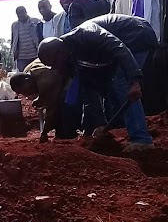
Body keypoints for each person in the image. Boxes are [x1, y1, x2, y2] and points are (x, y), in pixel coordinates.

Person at [38, 15, 154, 151]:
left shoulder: (86, 33)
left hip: (136, 33)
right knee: (112, 87)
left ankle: (142, 139)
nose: (57, 67)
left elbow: (119, 48)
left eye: (55, 63)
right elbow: (88, 90)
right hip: (121, 46)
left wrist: (134, 80)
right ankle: (121, 129)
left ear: (60, 52)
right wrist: (99, 124)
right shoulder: (72, 59)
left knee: (120, 82)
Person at [10, 60, 73, 142]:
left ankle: (69, 136)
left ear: (27, 80)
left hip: (70, 77)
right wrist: (41, 98)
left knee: (63, 103)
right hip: (57, 80)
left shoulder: (45, 82)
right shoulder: (28, 70)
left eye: (26, 91)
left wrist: (45, 132)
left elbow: (51, 109)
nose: (28, 94)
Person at [10, 6, 43, 72]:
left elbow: (40, 36)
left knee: (37, 73)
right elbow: (13, 40)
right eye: (18, 13)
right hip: (21, 57)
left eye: (22, 12)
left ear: (26, 12)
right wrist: (13, 52)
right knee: (23, 76)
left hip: (35, 55)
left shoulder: (35, 21)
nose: (20, 14)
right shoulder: (14, 25)